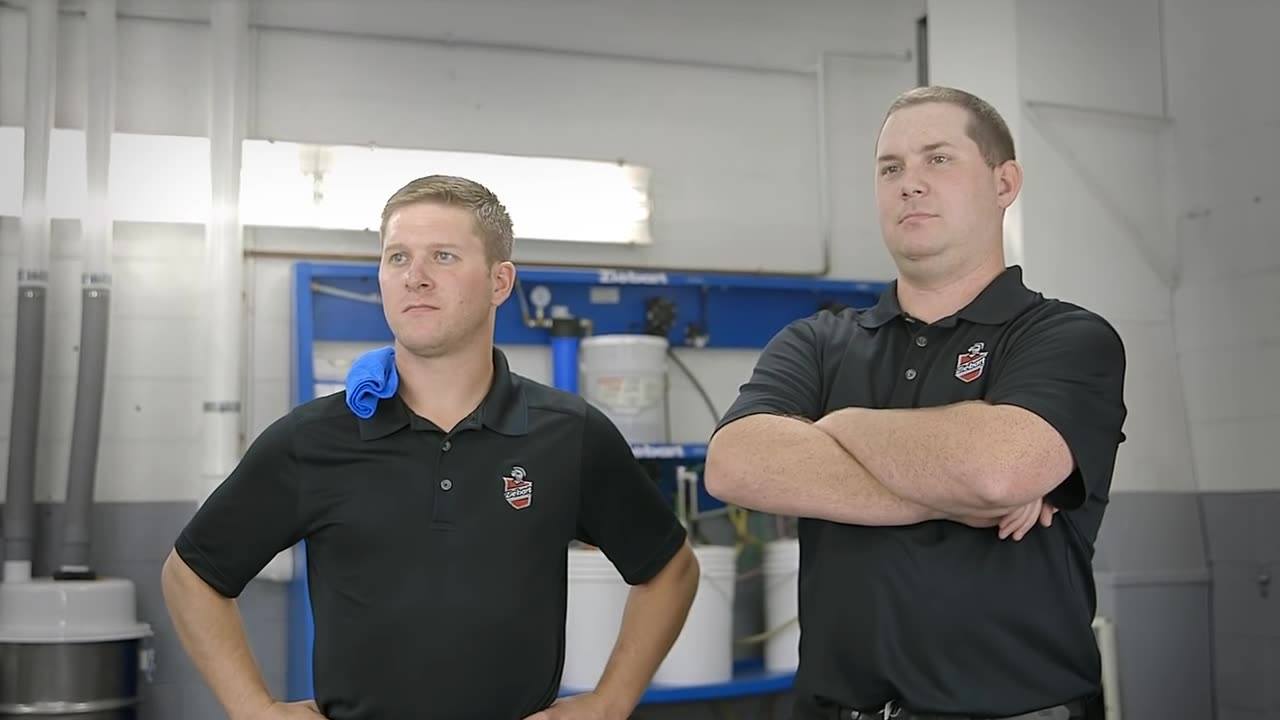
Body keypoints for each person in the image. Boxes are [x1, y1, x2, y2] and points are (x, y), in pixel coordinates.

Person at [162, 175, 699, 720]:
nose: (414, 277)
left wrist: (609, 702)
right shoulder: (314, 438)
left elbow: (670, 570)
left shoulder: (568, 434)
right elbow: (191, 575)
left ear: (499, 281)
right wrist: (253, 709)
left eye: (443, 256)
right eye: (397, 257)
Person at [706, 86, 1126, 720]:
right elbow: (734, 464)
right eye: (890, 168)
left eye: (939, 159)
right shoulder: (818, 342)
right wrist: (957, 491)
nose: (910, 183)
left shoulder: (1066, 338)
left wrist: (839, 424)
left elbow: (997, 469)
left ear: (1004, 182)